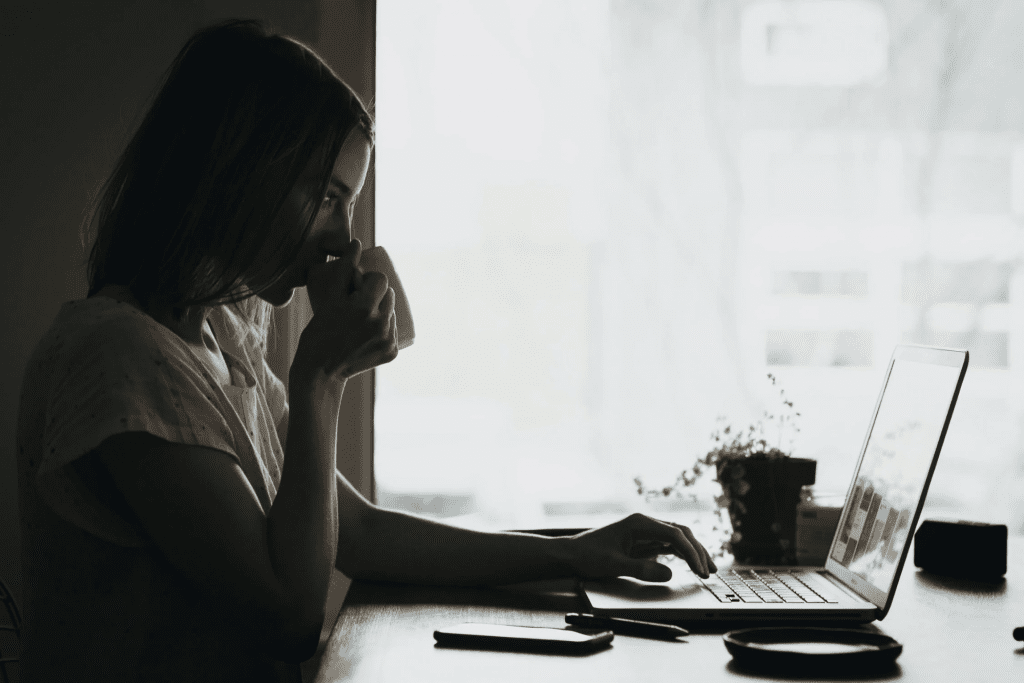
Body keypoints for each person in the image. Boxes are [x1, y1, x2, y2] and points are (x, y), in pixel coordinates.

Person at [15, 18, 716, 683]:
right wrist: (321, 374)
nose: (344, 239)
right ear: (238, 173)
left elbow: (356, 530)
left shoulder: (223, 337)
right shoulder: (119, 356)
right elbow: (287, 612)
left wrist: (577, 552)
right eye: (327, 196)